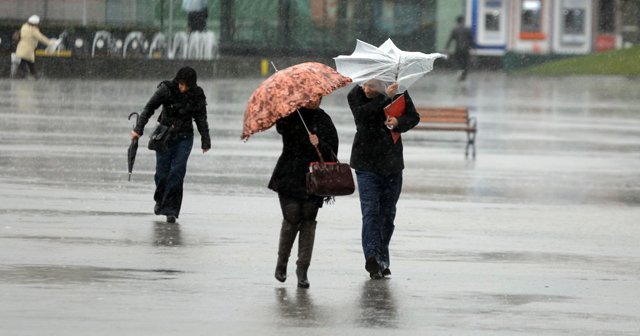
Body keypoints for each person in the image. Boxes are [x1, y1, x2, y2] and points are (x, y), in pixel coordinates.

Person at [347, 79, 419, 279]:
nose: (366, 89)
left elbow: (413, 117)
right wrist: (385, 97)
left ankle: (381, 259)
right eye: (365, 85)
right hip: (365, 164)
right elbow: (362, 116)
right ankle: (371, 257)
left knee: (387, 214)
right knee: (370, 212)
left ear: (380, 83)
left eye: (371, 86)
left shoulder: (399, 92)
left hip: (392, 164)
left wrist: (399, 123)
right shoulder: (355, 94)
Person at [268, 99, 338, 288]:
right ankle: (282, 263)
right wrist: (285, 109)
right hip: (289, 174)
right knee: (292, 217)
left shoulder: (323, 119)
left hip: (314, 178)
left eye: (319, 97)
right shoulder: (291, 114)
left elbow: (333, 151)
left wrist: (319, 143)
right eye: (312, 97)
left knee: (308, 219)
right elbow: (281, 128)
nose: (315, 100)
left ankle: (302, 269)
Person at [131, 66, 211, 223]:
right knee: (162, 173)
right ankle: (160, 200)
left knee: (177, 172)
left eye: (186, 86)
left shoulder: (197, 94)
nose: (183, 89)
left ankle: (171, 210)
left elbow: (201, 118)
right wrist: (138, 129)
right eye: (181, 84)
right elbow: (149, 108)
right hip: (164, 137)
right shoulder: (166, 89)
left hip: (185, 137)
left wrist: (205, 140)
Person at [14, 15, 54, 79]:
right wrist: (50, 43)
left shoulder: (24, 26)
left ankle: (30, 75)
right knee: (27, 62)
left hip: (22, 47)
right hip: (28, 49)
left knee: (27, 62)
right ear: (35, 23)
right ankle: (27, 76)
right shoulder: (33, 30)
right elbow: (41, 38)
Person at [445, 15, 475, 81]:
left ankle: (459, 71)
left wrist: (446, 47)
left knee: (458, 61)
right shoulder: (467, 29)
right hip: (465, 49)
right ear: (463, 21)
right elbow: (471, 40)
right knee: (466, 63)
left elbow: (450, 39)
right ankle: (463, 75)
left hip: (458, 49)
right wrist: (473, 48)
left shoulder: (455, 29)